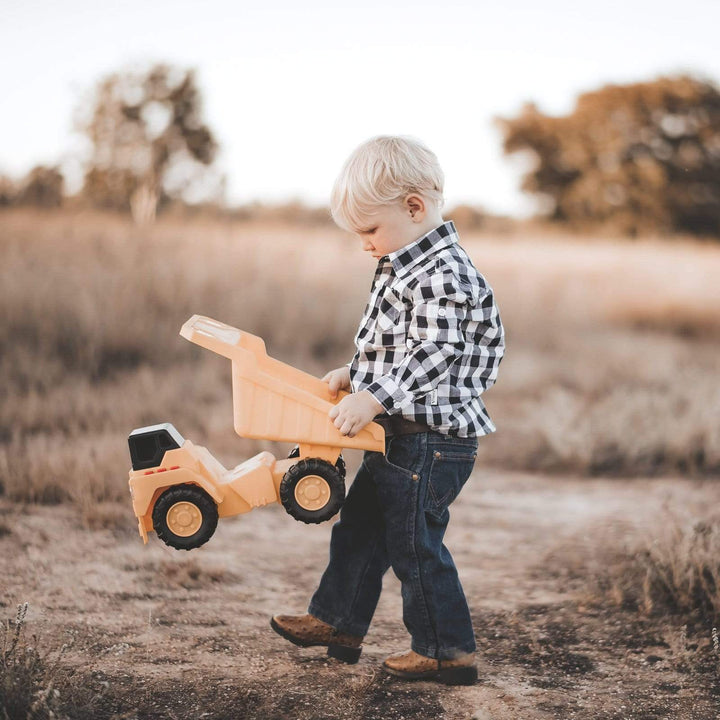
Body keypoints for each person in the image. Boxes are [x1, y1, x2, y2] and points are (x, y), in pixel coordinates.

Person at [270, 135, 505, 685]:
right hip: (401, 435)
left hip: (431, 440)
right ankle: (337, 621)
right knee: (361, 527)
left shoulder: (441, 271)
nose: (364, 245)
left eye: (370, 231)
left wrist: (374, 397)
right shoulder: (408, 265)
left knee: (412, 542)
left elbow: (434, 352)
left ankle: (445, 650)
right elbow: (402, 343)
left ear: (414, 208)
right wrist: (357, 375)